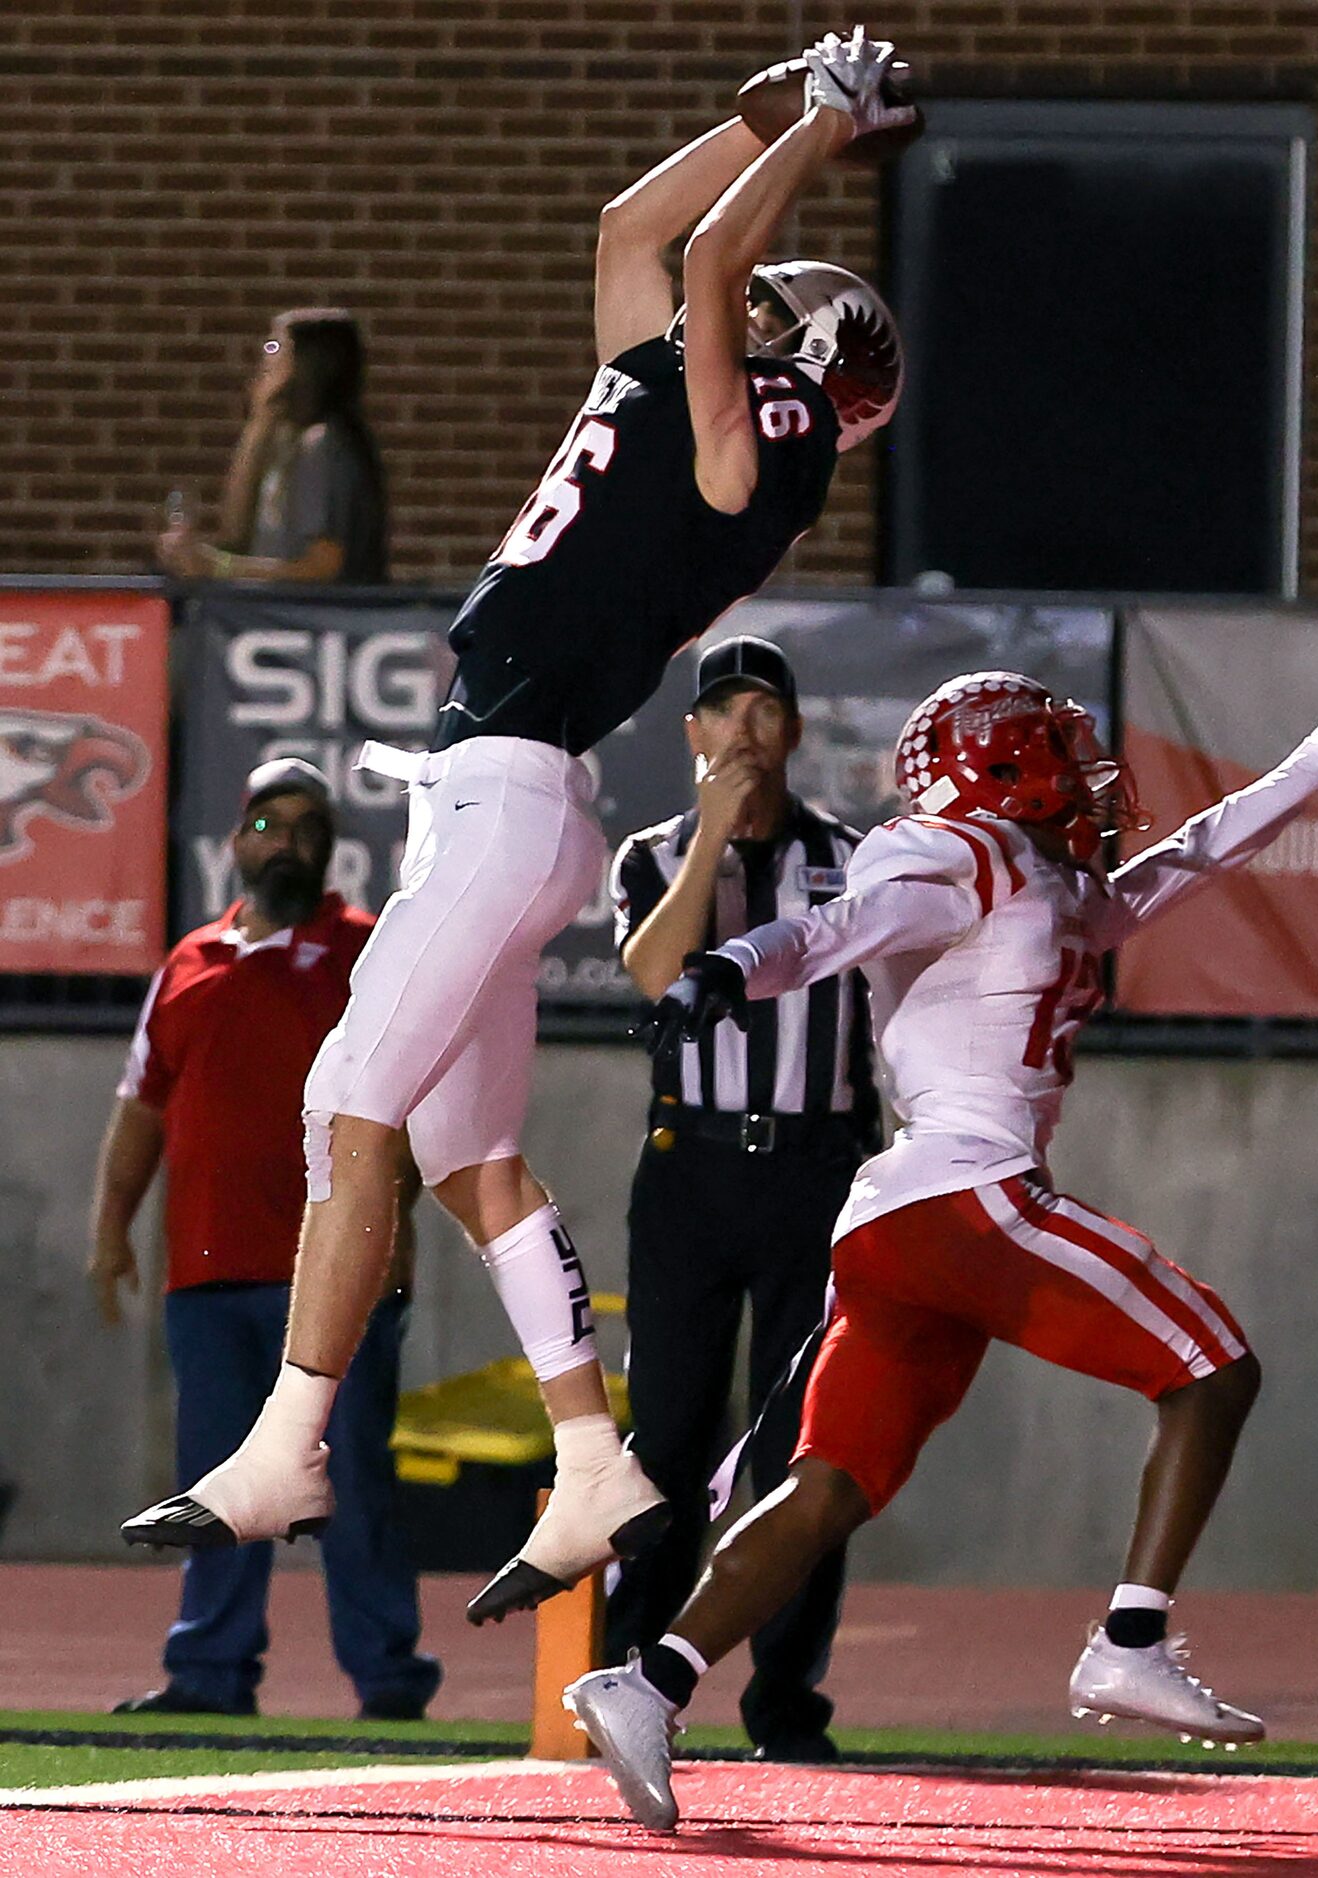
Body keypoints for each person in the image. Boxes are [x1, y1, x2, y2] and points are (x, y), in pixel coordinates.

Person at [121, 30, 914, 1632]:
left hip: (504, 795)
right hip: (491, 793)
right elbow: (644, 234)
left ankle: (285, 1445)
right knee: (467, 1156)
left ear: (804, 364)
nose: (746, 316)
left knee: (351, 1092)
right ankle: (594, 1459)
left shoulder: (753, 457)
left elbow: (708, 263)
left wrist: (811, 143)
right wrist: (761, 113)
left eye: (773, 322)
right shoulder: (689, 385)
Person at [563, 640, 1318, 1831]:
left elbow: (1196, 852)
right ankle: (1129, 1638)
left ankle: (649, 1683)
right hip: (964, 1194)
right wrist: (730, 966)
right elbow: (838, 927)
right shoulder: (958, 854)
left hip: (903, 1222)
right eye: (1057, 758)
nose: (1084, 780)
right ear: (1002, 771)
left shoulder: (1047, 878)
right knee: (1213, 1368)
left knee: (827, 1487)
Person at [91, 759, 439, 1720]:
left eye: (306, 825)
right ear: (237, 839)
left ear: (329, 847)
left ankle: (387, 1682)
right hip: (203, 1274)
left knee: (354, 1477)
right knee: (213, 1483)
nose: (286, 840)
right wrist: (110, 1229)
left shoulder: (367, 950)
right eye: (268, 823)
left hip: (331, 1276)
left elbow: (407, 1096)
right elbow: (140, 1107)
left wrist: (396, 1221)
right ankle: (209, 1674)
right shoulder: (187, 961)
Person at [606, 634, 878, 1762]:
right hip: (691, 1168)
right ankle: (624, 1677)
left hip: (819, 1170)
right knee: (665, 1439)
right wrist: (712, 840)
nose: (746, 732)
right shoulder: (654, 853)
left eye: (767, 711)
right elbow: (656, 970)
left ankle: (784, 1702)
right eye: (725, 712)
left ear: (796, 733)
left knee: (805, 1448)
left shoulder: (860, 858)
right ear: (692, 735)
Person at [155, 308, 388, 583]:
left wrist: (221, 567)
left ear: (310, 361)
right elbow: (235, 532)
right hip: (271, 615)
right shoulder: (287, 439)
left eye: (275, 346)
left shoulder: (322, 444)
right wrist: (259, 420)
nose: (266, 356)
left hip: (305, 619)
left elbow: (323, 566)